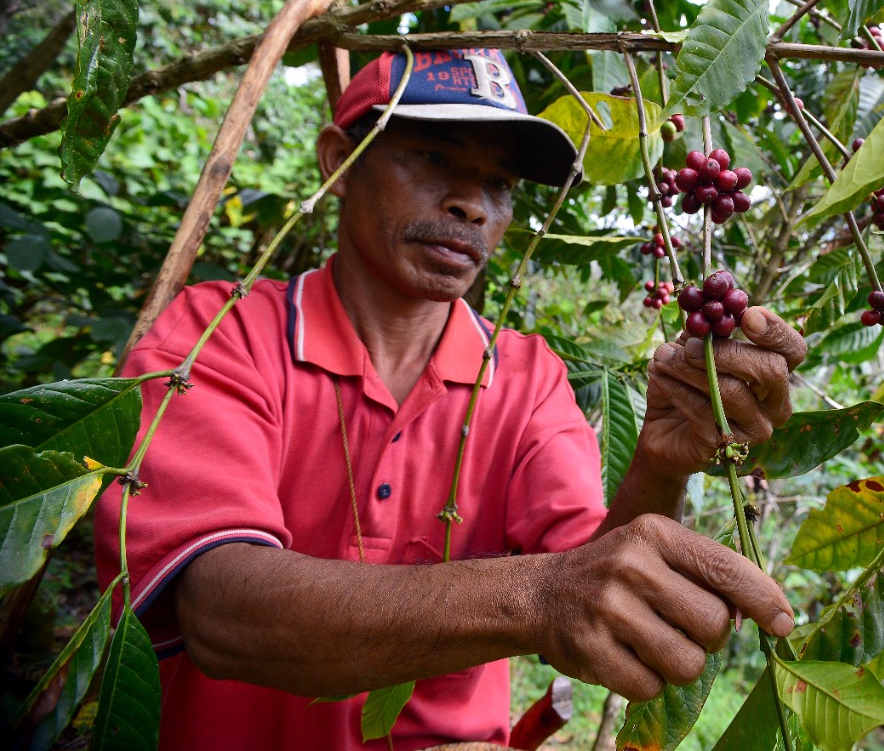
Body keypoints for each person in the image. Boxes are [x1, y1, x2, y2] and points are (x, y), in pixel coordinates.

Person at [96, 48, 807, 749]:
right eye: (435, 158)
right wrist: (537, 596)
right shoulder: (216, 337)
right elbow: (219, 608)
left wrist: (660, 463)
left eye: (499, 183)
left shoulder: (528, 380)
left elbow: (595, 577)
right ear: (336, 161)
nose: (472, 204)